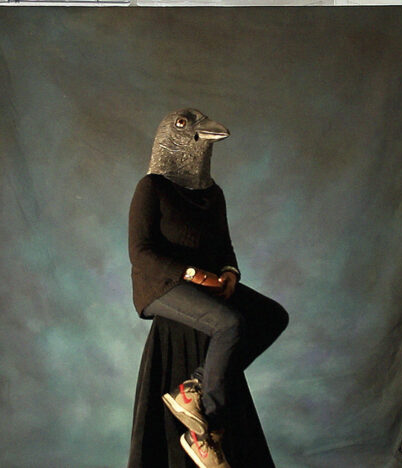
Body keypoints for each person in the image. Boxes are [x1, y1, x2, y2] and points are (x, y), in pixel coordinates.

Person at [128, 109, 289, 468]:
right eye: (187, 125)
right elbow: (141, 253)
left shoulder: (213, 195)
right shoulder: (151, 187)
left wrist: (229, 272)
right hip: (161, 286)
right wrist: (195, 275)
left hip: (205, 286)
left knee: (272, 316)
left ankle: (197, 387)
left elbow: (224, 246)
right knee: (229, 324)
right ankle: (205, 432)